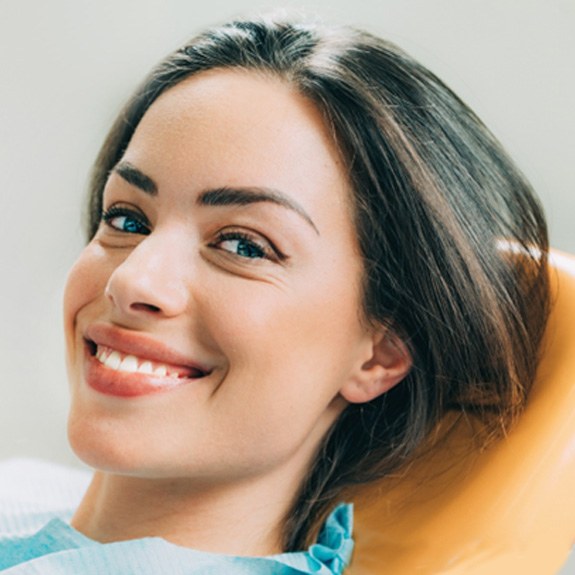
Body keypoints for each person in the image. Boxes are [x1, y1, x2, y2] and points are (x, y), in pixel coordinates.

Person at [0, 15, 549, 574]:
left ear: (382, 350)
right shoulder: (24, 490)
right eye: (127, 218)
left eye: (243, 246)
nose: (133, 280)